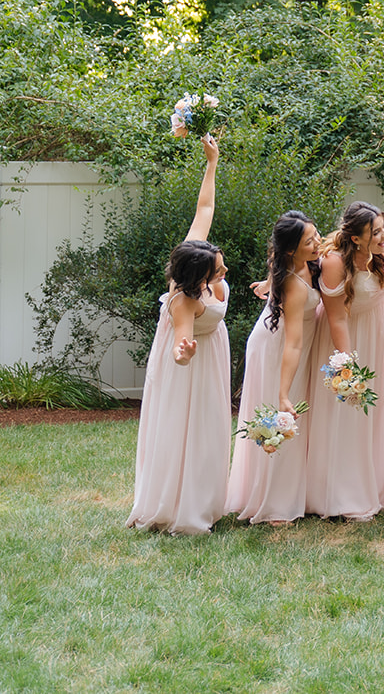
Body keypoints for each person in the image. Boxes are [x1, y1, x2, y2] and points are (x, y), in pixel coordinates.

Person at [127, 135, 231, 535]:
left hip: (212, 353)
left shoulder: (194, 251)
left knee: (210, 430)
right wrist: (184, 352)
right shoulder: (183, 301)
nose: (223, 274)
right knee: (193, 431)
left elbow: (204, 207)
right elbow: (178, 348)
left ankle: (208, 498)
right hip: (191, 369)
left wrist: (212, 162)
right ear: (196, 279)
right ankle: (183, 507)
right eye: (218, 273)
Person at [227, 211, 323, 525]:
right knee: (280, 418)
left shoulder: (305, 262)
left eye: (315, 234)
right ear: (292, 250)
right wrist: (283, 393)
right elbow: (293, 343)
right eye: (309, 241)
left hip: (291, 346)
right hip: (278, 350)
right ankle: (273, 503)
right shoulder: (295, 286)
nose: (317, 242)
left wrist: (269, 282)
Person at [305, 201, 384, 521]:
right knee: (345, 415)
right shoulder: (334, 262)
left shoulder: (383, 245)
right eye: (375, 232)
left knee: (374, 412)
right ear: (356, 239)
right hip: (347, 339)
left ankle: (371, 484)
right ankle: (340, 493)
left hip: (378, 331)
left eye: (383, 227)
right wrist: (348, 369)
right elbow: (337, 320)